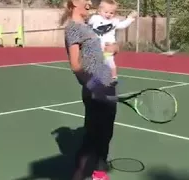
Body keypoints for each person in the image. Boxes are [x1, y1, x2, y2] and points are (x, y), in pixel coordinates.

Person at [59, 0, 120, 180]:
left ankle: (99, 173)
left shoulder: (87, 26)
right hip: (95, 86)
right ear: (74, 2)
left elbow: (101, 52)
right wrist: (92, 86)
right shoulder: (73, 27)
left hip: (107, 83)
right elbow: (76, 64)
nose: (89, 2)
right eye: (85, 0)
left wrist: (115, 48)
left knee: (105, 133)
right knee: (93, 136)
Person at [88, 0, 137, 80]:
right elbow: (88, 24)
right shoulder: (95, 18)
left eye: (111, 13)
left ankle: (113, 76)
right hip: (96, 45)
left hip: (108, 45)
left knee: (109, 61)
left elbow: (122, 25)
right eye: (106, 12)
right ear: (100, 11)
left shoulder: (114, 21)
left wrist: (129, 19)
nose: (108, 14)